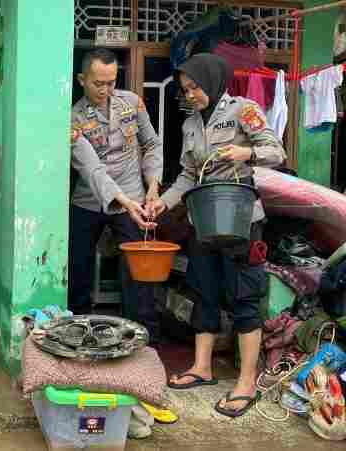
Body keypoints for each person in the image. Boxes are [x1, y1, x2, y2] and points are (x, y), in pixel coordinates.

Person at [149, 53, 286, 418]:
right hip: (204, 220)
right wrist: (163, 204)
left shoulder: (244, 110)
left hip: (242, 220)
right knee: (203, 292)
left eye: (194, 88)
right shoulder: (190, 124)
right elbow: (188, 176)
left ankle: (246, 381)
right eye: (185, 89)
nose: (190, 95)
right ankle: (202, 368)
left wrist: (247, 152)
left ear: (211, 81)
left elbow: (277, 151)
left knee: (244, 296)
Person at [69, 49, 163, 343]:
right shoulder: (73, 118)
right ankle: (79, 332)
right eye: (99, 83)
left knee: (137, 272)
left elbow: (152, 144)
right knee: (78, 268)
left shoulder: (132, 104)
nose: (106, 90)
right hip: (90, 200)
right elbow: (93, 169)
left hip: (134, 196)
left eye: (111, 82)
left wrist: (153, 185)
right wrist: (124, 200)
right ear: (82, 79)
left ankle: (139, 336)